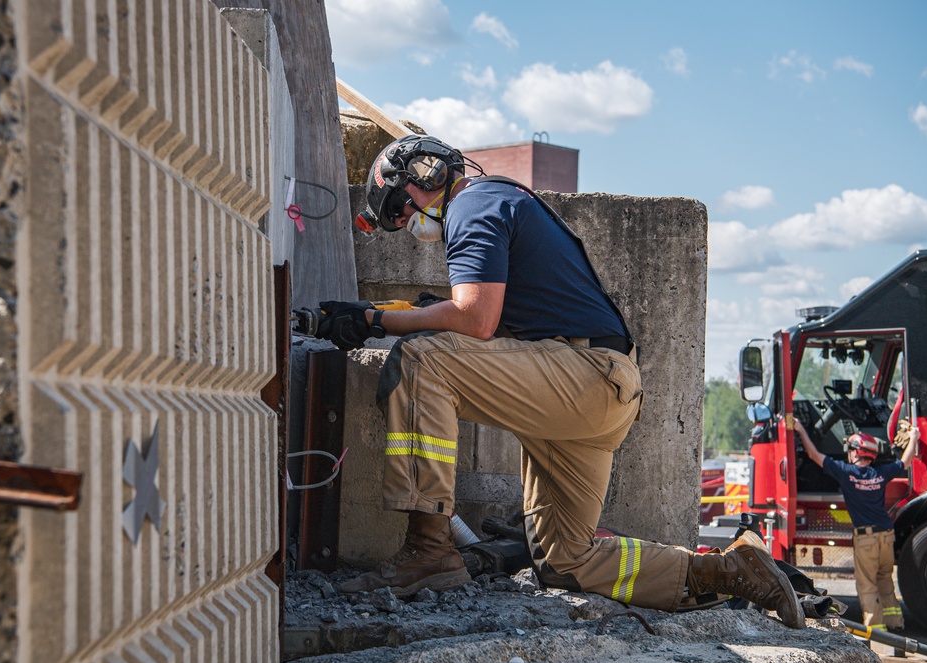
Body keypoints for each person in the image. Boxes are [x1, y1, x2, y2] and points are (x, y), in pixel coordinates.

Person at [312, 134, 804, 628]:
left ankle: (428, 547)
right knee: (565, 561)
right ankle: (725, 571)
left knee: (420, 362)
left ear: (424, 174)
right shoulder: (503, 199)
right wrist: (400, 314)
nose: (405, 220)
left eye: (399, 205)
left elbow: (476, 319)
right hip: (598, 388)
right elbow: (497, 322)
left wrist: (377, 321)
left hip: (581, 376)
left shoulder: (472, 203)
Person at [793, 418, 919, 631]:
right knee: (886, 582)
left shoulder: (845, 472)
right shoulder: (880, 473)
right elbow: (905, 462)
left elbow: (814, 455)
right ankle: (896, 627)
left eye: (850, 449)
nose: (848, 453)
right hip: (887, 536)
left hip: (866, 539)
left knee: (868, 586)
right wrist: (914, 437)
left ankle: (878, 636)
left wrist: (800, 429)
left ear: (857, 452)